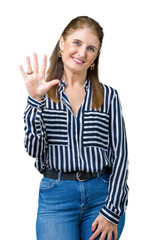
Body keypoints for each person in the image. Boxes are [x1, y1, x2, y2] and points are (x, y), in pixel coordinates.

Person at [19, 16, 129, 240]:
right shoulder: (43, 92)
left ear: (96, 56)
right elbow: (34, 149)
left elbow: (120, 156)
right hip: (56, 197)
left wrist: (112, 210)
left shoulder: (108, 96)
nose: (82, 53)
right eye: (76, 43)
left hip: (102, 196)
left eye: (90, 48)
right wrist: (34, 100)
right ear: (62, 44)